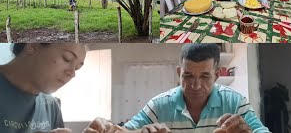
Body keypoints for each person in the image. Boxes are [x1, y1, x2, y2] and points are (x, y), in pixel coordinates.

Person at [84, 44, 270, 133]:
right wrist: (106, 130)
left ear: (217, 75)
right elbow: (126, 131)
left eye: (205, 76)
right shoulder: (158, 105)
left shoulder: (235, 101)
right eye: (187, 76)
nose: (195, 86)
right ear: (179, 72)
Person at [0, 43, 87, 133]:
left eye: (77, 68)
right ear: (32, 45)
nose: (72, 74)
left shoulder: (51, 106)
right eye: (67, 58)